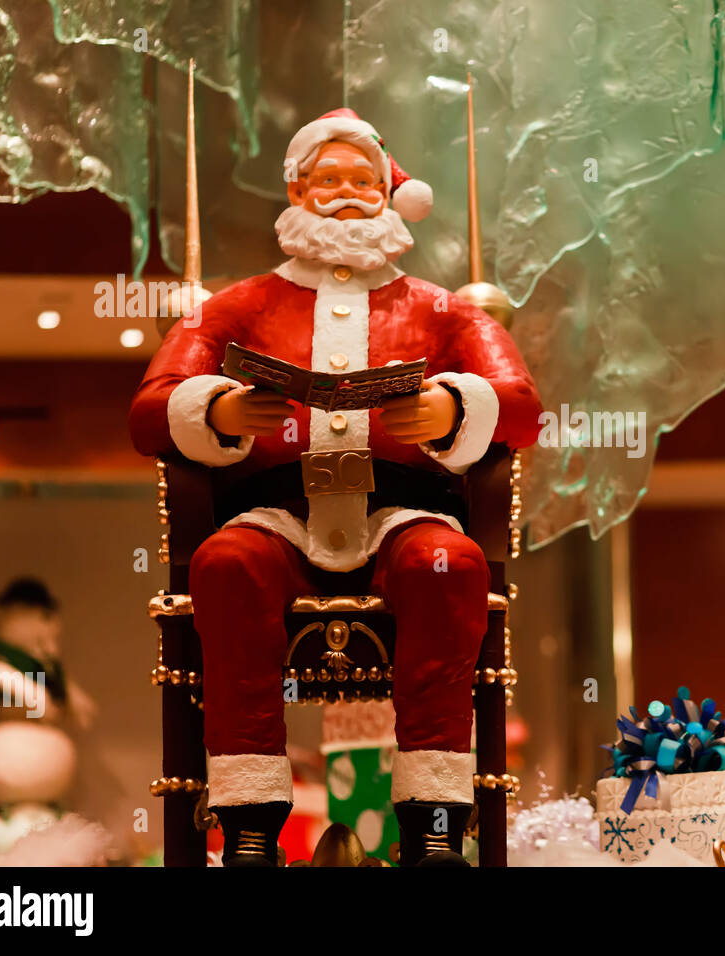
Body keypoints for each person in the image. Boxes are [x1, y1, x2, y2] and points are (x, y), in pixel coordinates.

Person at [130, 108, 542, 866]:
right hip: (276, 513)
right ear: (297, 187)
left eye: (364, 180)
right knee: (224, 566)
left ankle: (435, 829)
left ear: (390, 193)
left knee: (445, 566)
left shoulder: (443, 309)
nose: (348, 195)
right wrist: (217, 406)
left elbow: (520, 403)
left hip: (403, 510)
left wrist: (453, 406)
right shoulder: (240, 307)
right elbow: (152, 407)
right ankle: (249, 823)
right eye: (330, 179)